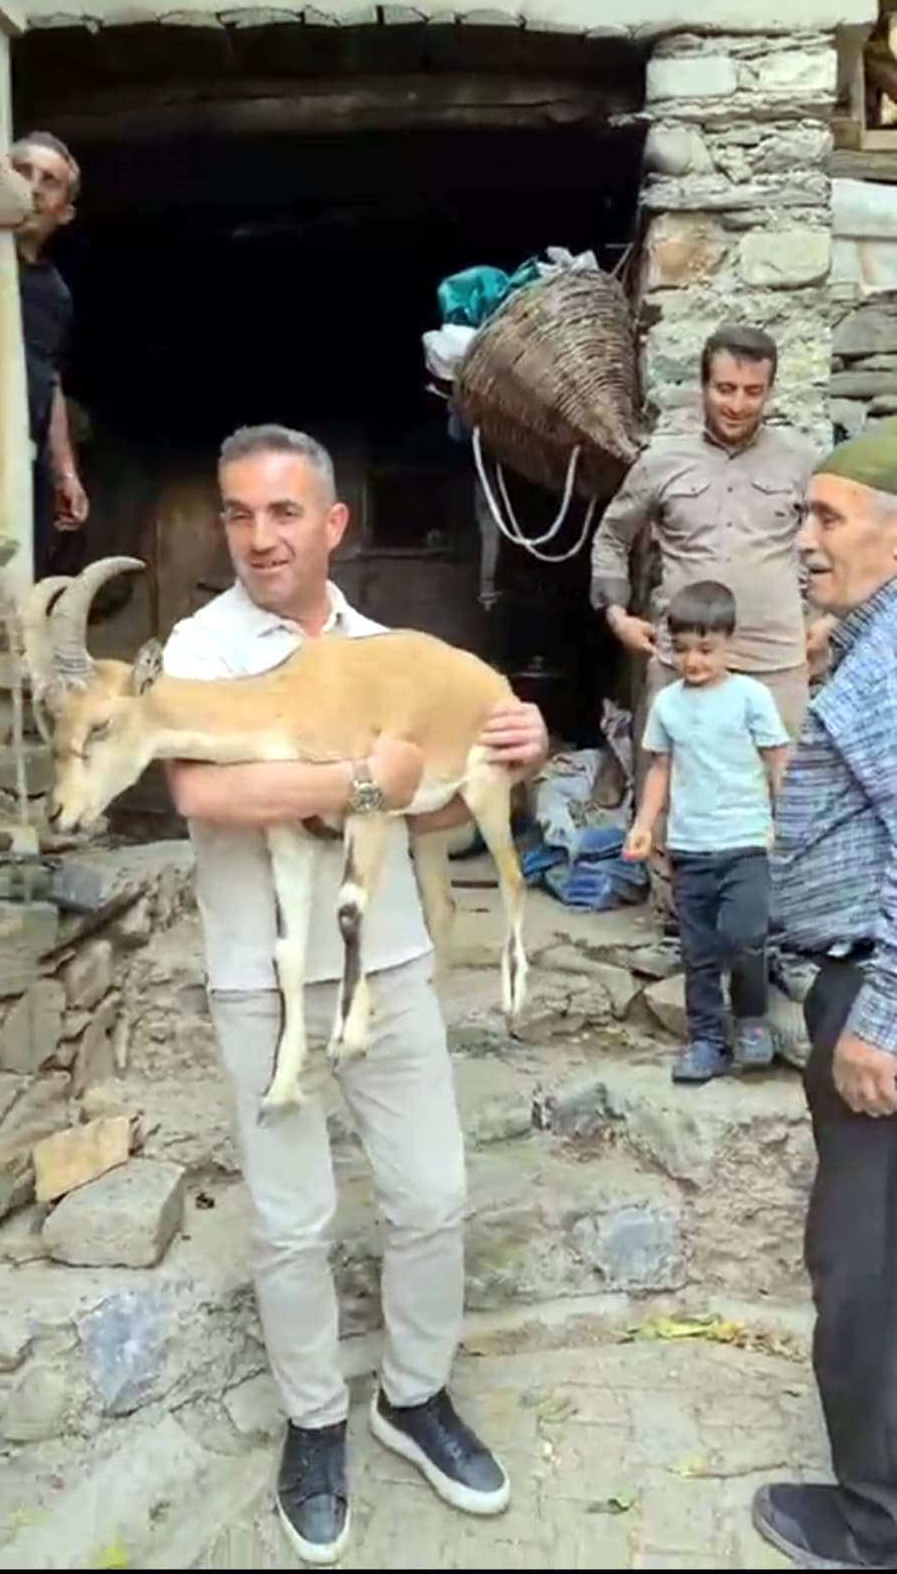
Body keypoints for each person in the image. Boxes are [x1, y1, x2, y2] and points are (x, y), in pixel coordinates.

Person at [161, 424, 548, 1567]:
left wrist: (507, 759)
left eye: (283, 514)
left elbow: (420, 810)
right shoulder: (203, 644)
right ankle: (316, 1417)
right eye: (239, 514)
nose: (258, 537)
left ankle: (413, 1395)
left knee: (431, 1191)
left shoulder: (389, 646)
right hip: (264, 973)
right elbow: (201, 790)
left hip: (384, 959)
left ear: (332, 525)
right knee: (291, 1218)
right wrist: (349, 778)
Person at [752, 418, 897, 1570]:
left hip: (877, 999)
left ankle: (873, 1523)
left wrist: (878, 1022)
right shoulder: (875, 638)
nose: (806, 539)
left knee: (861, 1266)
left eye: (828, 518)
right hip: (858, 980)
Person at [591, 324, 826, 920]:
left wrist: (827, 619)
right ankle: (681, 920)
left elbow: (834, 543)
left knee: (785, 788)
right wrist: (619, 614)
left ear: (769, 391)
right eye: (725, 388)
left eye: (753, 391)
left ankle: (776, 928)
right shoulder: (662, 461)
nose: (738, 404)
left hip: (776, 658)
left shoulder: (801, 461)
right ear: (703, 385)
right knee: (671, 785)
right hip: (684, 658)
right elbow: (613, 537)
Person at [623, 580, 789, 1083]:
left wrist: (792, 822)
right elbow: (660, 769)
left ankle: (753, 1019)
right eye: (684, 649)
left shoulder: (750, 697)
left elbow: (778, 760)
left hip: (745, 843)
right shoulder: (668, 704)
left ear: (730, 644)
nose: (694, 661)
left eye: (706, 649)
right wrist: (644, 825)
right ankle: (706, 1042)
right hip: (690, 848)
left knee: (746, 936)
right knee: (697, 953)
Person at [10, 130, 89, 577]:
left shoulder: (55, 295)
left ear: (66, 212)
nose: (34, 188)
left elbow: (50, 377)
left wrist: (65, 472)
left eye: (50, 181)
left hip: (25, 465)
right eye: (23, 172)